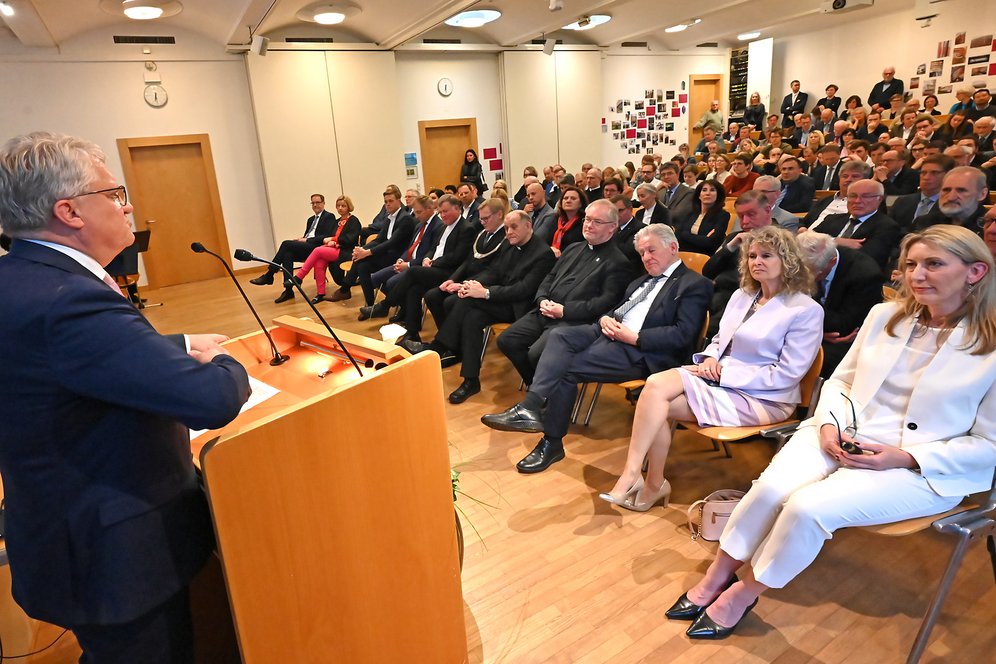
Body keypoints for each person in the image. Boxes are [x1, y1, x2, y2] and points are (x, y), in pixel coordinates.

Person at [671, 225, 994, 640]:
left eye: (934, 264)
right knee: (770, 489)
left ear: (975, 271)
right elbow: (841, 383)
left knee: (807, 508)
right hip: (841, 430)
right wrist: (828, 426)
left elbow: (988, 445)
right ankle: (718, 575)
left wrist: (905, 457)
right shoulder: (884, 316)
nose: (916, 275)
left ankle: (745, 592)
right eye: (911, 264)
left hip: (919, 464)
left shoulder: (990, 344)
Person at [0, 131, 251, 661]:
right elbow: (211, 400)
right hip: (114, 554)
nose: (128, 203)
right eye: (113, 193)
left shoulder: (22, 277)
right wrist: (233, 360)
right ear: (69, 211)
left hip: (64, 525)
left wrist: (179, 345)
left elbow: (73, 362)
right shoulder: (68, 299)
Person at [601, 226, 824, 512]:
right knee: (655, 387)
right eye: (752, 255)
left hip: (766, 397)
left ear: (787, 260)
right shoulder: (743, 295)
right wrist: (708, 359)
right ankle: (636, 477)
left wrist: (724, 373)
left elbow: (787, 374)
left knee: (657, 404)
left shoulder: (805, 310)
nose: (757, 261)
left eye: (766, 255)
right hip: (720, 378)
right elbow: (720, 339)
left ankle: (647, 483)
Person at [482, 224, 713, 473]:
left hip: (642, 350)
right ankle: (530, 407)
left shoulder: (693, 284)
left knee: (565, 368)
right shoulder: (641, 280)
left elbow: (683, 334)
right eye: (642, 253)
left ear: (673, 247)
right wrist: (605, 317)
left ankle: (551, 442)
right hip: (610, 333)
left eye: (651, 250)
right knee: (559, 336)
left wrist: (635, 337)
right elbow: (618, 309)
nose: (646, 257)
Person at [402, 211, 556, 403]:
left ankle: (437, 347)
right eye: (507, 228)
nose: (508, 232)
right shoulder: (509, 245)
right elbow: (494, 272)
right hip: (500, 298)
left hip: (518, 308)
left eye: (514, 227)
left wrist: (485, 293)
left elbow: (523, 290)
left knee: (467, 301)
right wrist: (469, 284)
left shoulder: (543, 254)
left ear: (528, 226)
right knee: (471, 317)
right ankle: (470, 379)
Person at [496, 199, 632, 388]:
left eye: (597, 222)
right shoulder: (573, 248)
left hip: (573, 320)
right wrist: (542, 299)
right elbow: (549, 277)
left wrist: (564, 310)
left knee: (535, 354)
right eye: (587, 219)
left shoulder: (618, 262)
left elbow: (605, 303)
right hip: (545, 311)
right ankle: (539, 390)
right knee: (507, 340)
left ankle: (544, 394)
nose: (589, 225)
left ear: (612, 227)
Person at [249, 192, 337, 302]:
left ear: (323, 203)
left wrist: (306, 240)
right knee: (287, 254)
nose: (315, 205)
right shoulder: (310, 220)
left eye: (318, 202)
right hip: (308, 247)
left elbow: (327, 236)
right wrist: (302, 238)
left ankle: (270, 274)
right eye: (313, 203)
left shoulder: (329, 216)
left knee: (286, 244)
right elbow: (308, 235)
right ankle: (289, 291)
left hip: (318, 248)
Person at [289, 194, 361, 303]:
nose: (340, 208)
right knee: (319, 261)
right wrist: (332, 241)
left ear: (348, 207)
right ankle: (320, 293)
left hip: (346, 251)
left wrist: (335, 241)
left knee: (317, 250)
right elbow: (331, 236)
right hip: (335, 249)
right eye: (338, 206)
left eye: (343, 206)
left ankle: (299, 277)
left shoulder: (353, 220)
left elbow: (350, 240)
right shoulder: (337, 221)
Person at [675, 180, 730, 256]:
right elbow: (677, 235)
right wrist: (701, 239)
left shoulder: (723, 215)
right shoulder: (690, 213)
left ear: (718, 195)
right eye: (704, 190)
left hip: (705, 257)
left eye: (712, 190)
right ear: (699, 195)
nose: (707, 193)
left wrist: (685, 235)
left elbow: (710, 243)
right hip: (683, 254)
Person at [549, 184, 588, 256]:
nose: (568, 201)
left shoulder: (585, 222)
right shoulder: (554, 219)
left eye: (573, 198)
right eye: (565, 198)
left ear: (581, 203)